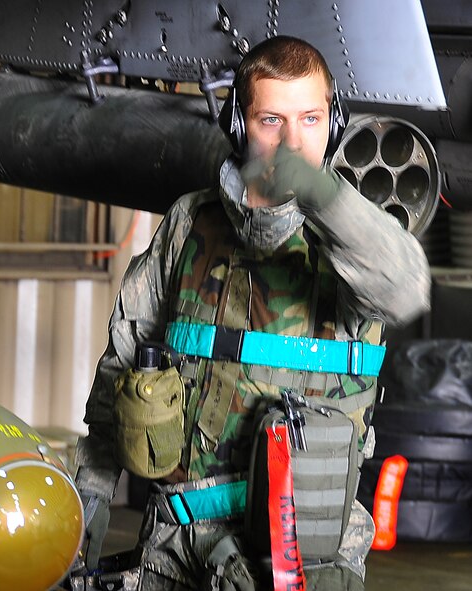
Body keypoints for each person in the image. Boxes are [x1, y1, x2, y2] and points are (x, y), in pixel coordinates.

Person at [73, 35, 430, 591]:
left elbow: (405, 288)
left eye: (311, 118)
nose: (292, 142)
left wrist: (316, 190)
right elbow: (121, 366)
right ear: (239, 126)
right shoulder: (190, 222)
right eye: (271, 120)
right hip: (174, 543)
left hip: (293, 555)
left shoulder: (351, 239)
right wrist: (87, 504)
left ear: (334, 123)